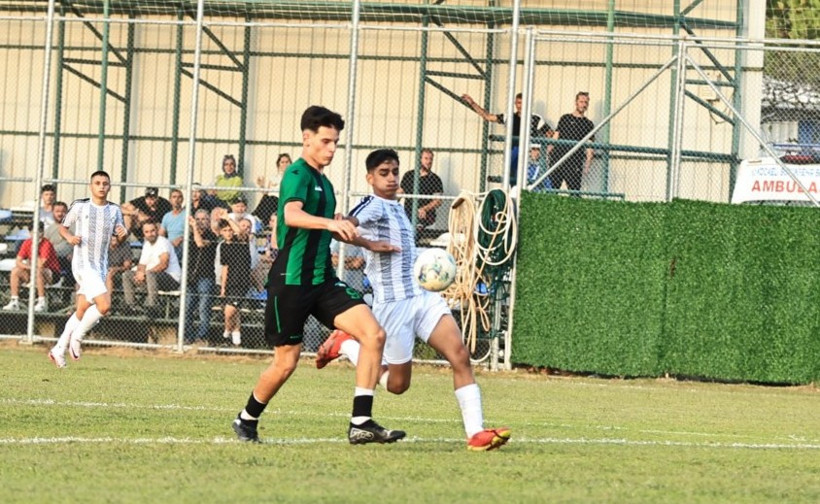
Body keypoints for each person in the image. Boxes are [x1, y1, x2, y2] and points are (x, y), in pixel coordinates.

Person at [231, 105, 405, 445]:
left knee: (373, 334)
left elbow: (331, 231)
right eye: (325, 141)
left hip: (322, 280)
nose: (331, 149)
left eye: (336, 142)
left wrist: (369, 243)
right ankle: (246, 418)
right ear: (306, 138)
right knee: (286, 363)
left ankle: (361, 421)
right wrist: (329, 222)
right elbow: (293, 215)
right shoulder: (297, 175)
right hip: (291, 282)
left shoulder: (325, 183)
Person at [316, 148, 511, 451]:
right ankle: (347, 345)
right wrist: (368, 242)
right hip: (394, 306)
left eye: (395, 171)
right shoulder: (373, 204)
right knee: (397, 386)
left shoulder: (398, 207)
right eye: (384, 173)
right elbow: (344, 228)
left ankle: (476, 433)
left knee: (460, 354)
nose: (392, 178)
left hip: (423, 297)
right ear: (370, 178)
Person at [48, 170, 128, 368]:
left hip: (100, 265)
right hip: (83, 264)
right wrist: (69, 238)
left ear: (109, 187)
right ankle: (77, 337)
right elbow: (63, 227)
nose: (101, 186)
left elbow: (121, 237)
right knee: (104, 306)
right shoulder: (80, 206)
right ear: (91, 186)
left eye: (105, 183)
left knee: (82, 309)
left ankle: (58, 349)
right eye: (98, 183)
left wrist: (123, 233)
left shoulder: (114, 211)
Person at [461, 92, 552, 185]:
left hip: (528, 154)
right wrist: (472, 103)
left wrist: (541, 151)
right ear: (515, 104)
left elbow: (550, 134)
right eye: (518, 103)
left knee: (530, 180)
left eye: (523, 103)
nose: (520, 106)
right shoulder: (509, 116)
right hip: (512, 152)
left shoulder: (536, 118)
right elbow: (487, 116)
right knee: (512, 179)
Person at [120, 221, 181, 317]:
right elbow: (141, 264)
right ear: (144, 233)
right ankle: (131, 306)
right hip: (152, 279)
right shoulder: (147, 244)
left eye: (152, 231)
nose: (150, 234)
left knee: (150, 274)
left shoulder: (163, 242)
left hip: (171, 279)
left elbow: (164, 264)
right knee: (127, 275)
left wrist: (144, 273)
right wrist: (139, 273)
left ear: (157, 230)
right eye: (147, 232)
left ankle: (153, 307)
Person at [2, 221, 61, 312]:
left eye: (39, 232)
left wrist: (35, 249)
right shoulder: (27, 243)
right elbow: (18, 261)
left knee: (38, 271)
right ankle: (14, 301)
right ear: (29, 233)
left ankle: (42, 302)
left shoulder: (46, 244)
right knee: (15, 271)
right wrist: (29, 268)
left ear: (42, 232)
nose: (37, 235)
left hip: (51, 274)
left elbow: (41, 264)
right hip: (33, 270)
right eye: (34, 232)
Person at [547, 91, 595, 193]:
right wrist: (548, 154)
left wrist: (587, 165)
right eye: (581, 102)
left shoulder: (588, 124)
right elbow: (555, 137)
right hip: (558, 159)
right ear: (576, 102)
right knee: (551, 191)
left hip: (574, 162)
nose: (583, 104)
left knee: (574, 193)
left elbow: (590, 146)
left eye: (586, 102)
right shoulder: (565, 118)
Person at [183, 209, 218, 345]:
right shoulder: (188, 235)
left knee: (204, 309)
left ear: (208, 222)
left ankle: (201, 337)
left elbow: (200, 243)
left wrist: (194, 227)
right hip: (190, 277)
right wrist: (192, 228)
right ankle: (187, 337)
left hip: (205, 277)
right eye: (197, 219)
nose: (200, 222)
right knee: (187, 308)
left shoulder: (212, 236)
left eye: (204, 219)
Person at [217, 218, 251, 346]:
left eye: (230, 230)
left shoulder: (241, 241)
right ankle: (236, 336)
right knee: (234, 311)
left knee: (229, 310)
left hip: (241, 282)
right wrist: (223, 287)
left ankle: (226, 332)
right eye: (225, 230)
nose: (229, 233)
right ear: (221, 232)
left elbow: (240, 232)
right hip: (230, 283)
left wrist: (228, 218)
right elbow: (225, 267)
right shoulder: (223, 246)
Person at [399, 148, 443, 235]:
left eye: (431, 159)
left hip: (425, 214)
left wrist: (424, 209)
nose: (429, 161)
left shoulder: (435, 179)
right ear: (420, 159)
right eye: (426, 158)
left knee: (415, 232)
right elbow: (400, 192)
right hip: (408, 211)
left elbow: (438, 200)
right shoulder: (409, 175)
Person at [253, 153, 292, 225]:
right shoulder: (273, 178)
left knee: (270, 199)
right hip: (270, 200)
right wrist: (261, 185)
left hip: (281, 199)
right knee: (266, 198)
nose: (285, 164)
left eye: (287, 162)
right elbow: (266, 193)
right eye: (282, 162)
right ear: (278, 164)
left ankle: (257, 216)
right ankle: (260, 220)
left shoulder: (292, 177)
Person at [43, 201, 73, 286]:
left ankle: (66, 294)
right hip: (53, 260)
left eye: (63, 211)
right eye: (57, 211)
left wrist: (73, 253)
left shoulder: (74, 228)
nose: (60, 214)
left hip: (70, 260)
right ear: (53, 212)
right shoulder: (49, 230)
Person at [160, 189, 186, 258]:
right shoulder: (167, 216)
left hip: (183, 244)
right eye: (174, 197)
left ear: (182, 199)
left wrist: (181, 238)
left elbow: (191, 233)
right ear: (170, 200)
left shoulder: (187, 214)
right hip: (169, 245)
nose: (177, 199)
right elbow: (161, 234)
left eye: (179, 197)